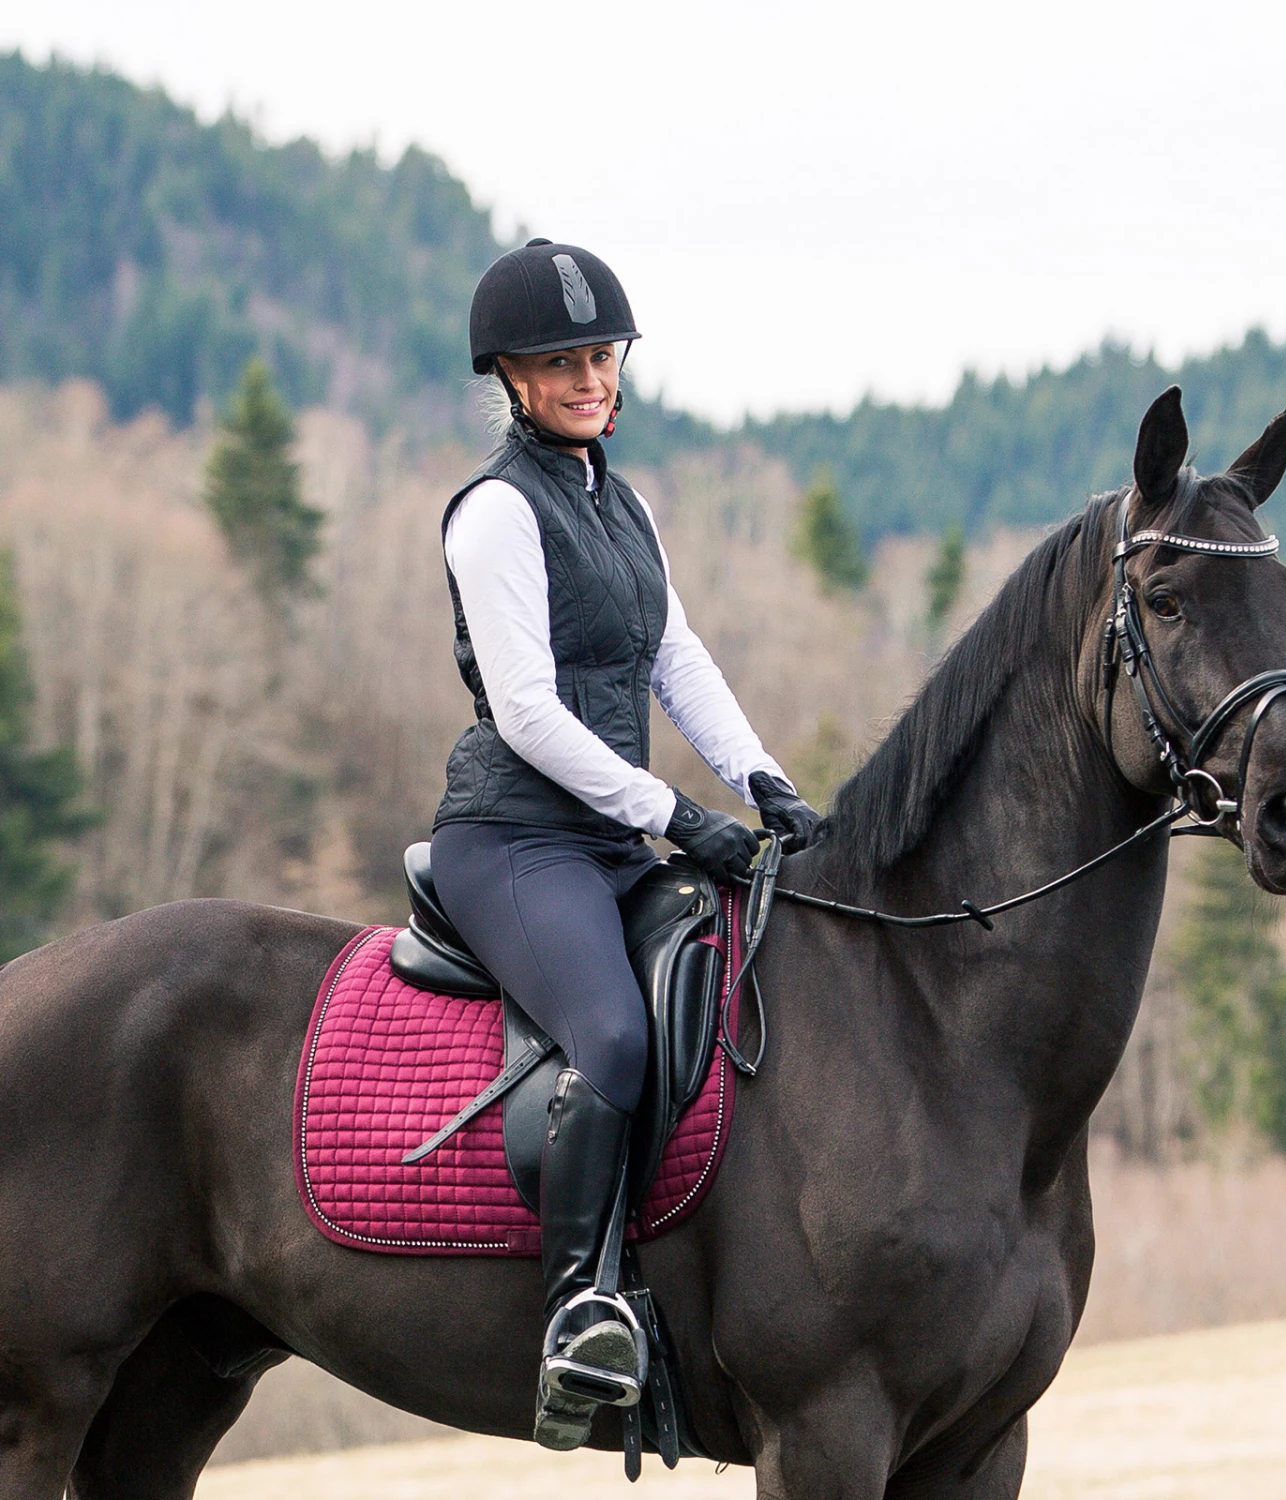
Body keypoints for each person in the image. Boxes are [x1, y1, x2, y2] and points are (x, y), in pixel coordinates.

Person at [429, 239, 822, 1449]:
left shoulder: (624, 502)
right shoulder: (497, 512)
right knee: (609, 1033)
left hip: (607, 842)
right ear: (511, 376)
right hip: (513, 837)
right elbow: (529, 711)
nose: (590, 379)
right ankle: (577, 1313)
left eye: (602, 356)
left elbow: (673, 658)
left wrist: (764, 782)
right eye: (563, 363)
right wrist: (676, 814)